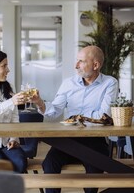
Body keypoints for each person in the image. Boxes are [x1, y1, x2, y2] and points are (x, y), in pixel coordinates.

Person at [31, 45, 119, 193]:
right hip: (68, 140)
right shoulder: (68, 83)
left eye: (81, 61)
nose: (76, 65)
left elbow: (104, 116)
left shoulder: (110, 83)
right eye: (76, 60)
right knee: (49, 164)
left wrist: (76, 118)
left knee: (94, 169)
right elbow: (54, 112)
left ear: (96, 65)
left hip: (95, 140)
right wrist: (40, 102)